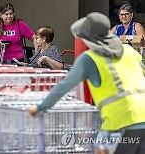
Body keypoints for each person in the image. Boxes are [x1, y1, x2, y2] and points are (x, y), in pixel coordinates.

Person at [29, 12, 145, 154]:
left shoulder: (89, 58)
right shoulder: (130, 51)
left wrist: (40, 107)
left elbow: (63, 86)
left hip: (121, 125)